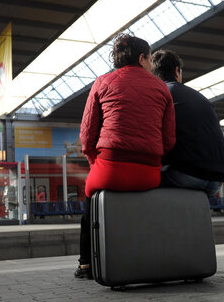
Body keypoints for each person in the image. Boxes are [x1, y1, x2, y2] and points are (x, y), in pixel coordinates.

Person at [75, 34, 176, 279]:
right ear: (141, 58)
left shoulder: (102, 82)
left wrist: (97, 165)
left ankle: (86, 265)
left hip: (108, 171)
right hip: (148, 174)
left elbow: (87, 136)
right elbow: (169, 139)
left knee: (90, 204)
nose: (152, 64)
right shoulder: (161, 87)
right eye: (150, 58)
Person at [150, 50, 224, 199]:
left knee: (140, 183)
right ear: (176, 71)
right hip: (217, 179)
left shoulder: (159, 95)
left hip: (185, 175)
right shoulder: (200, 97)